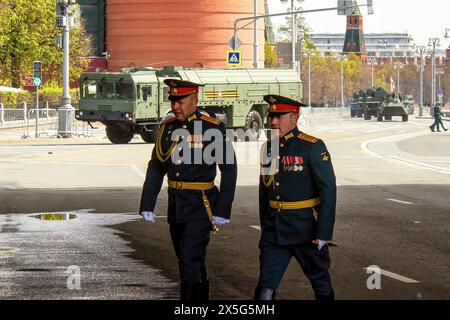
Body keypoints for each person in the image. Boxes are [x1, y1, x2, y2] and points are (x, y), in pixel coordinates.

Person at [139, 79, 237, 301]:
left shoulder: (211, 127)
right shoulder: (167, 127)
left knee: (188, 258)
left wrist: (223, 208)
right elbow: (157, 165)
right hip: (177, 205)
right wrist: (147, 203)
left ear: (194, 100)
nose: (175, 106)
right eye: (172, 101)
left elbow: (229, 169)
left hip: (201, 204)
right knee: (190, 259)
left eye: (180, 101)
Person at [254, 94, 337, 301]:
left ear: (294, 116)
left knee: (321, 286)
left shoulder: (312, 146)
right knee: (265, 290)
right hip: (275, 231)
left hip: (306, 230)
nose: (273, 121)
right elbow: (265, 192)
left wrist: (324, 232)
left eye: (279, 116)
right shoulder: (268, 148)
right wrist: (265, 227)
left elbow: (328, 191)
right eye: (271, 115)